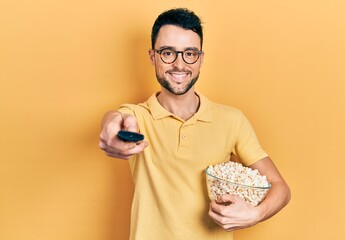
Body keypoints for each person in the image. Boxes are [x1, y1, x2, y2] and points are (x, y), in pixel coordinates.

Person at [99, 8, 291, 240]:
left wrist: (255, 214)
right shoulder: (139, 117)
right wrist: (111, 129)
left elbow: (280, 188)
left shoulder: (232, 120)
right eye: (168, 53)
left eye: (189, 54)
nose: (179, 65)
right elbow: (115, 119)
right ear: (153, 56)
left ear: (200, 58)